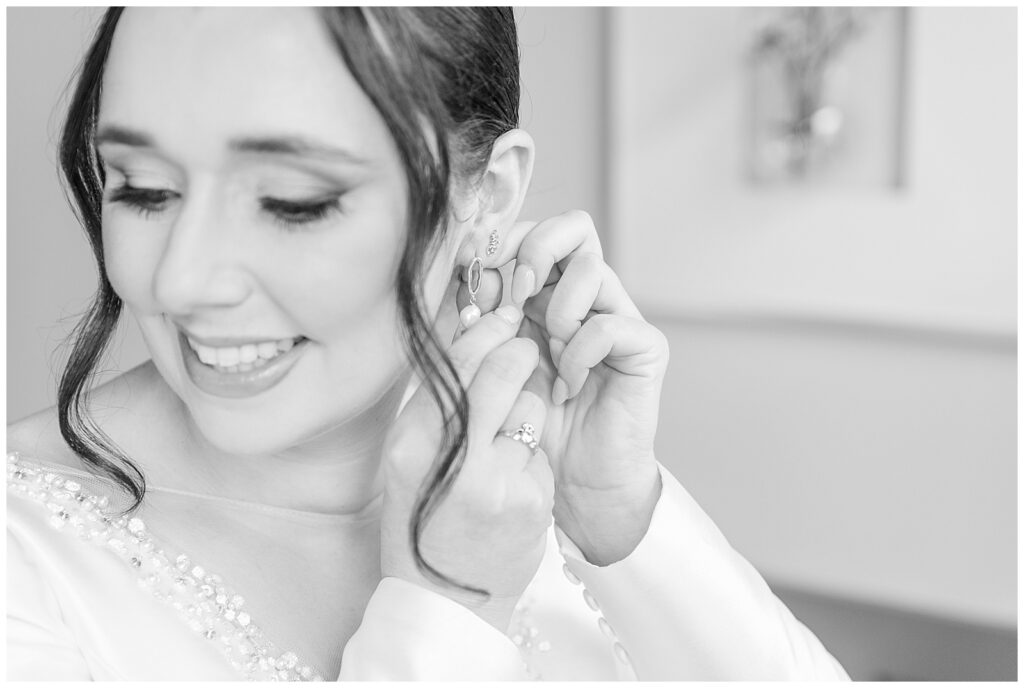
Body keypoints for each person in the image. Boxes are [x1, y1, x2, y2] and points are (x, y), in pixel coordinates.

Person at [6, 7, 849, 681]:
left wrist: (621, 520)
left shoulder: (513, 470)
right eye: (143, 190)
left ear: (485, 192)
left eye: (294, 201)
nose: (182, 280)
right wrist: (447, 605)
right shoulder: (25, 563)